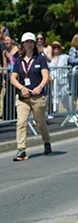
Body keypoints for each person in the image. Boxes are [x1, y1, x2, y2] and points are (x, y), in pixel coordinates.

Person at [10, 32, 52, 161]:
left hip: (37, 97)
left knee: (40, 123)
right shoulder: (19, 61)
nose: (29, 44)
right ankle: (21, 149)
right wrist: (21, 88)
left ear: (34, 44)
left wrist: (39, 87)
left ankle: (46, 142)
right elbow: (13, 78)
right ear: (23, 44)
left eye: (31, 42)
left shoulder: (40, 59)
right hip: (23, 97)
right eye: (26, 42)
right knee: (21, 123)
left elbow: (45, 76)